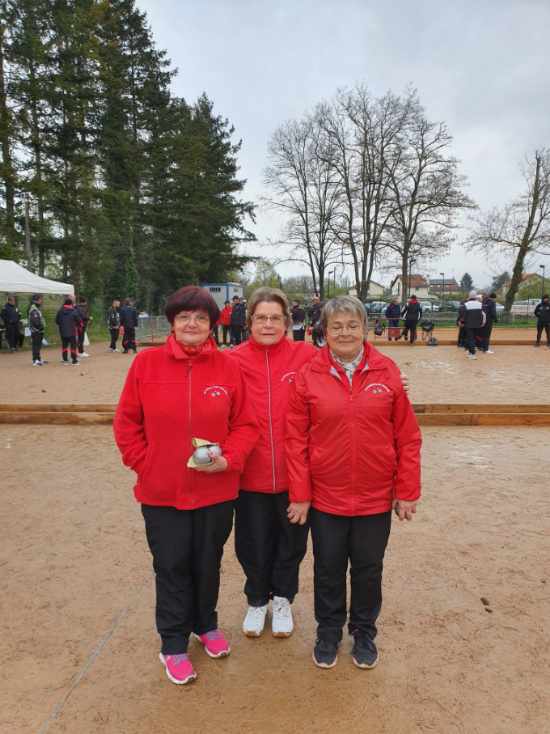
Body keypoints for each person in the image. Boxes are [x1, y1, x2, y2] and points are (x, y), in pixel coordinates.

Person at [113, 286, 258, 686]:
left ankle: (205, 624)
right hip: (162, 493)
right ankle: (173, 642)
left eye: (199, 317)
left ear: (212, 324)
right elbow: (127, 424)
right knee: (172, 565)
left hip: (216, 490)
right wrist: (147, 464)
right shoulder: (145, 364)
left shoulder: (229, 369)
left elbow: (246, 425)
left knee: (207, 562)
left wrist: (230, 459)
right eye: (183, 317)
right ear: (173, 323)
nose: (191, 323)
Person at [285, 295, 422, 671]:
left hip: (375, 498)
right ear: (324, 332)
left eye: (352, 325)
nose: (345, 333)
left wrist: (407, 491)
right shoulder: (308, 375)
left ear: (365, 328)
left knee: (368, 569)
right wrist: (300, 495)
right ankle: (329, 630)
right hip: (326, 497)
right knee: (328, 568)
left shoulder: (388, 372)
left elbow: (407, 438)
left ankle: (364, 631)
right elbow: (295, 441)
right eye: (336, 326)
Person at [227, 288, 317, 639]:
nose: (268, 324)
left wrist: (395, 381)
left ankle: (282, 599)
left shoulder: (307, 356)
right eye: (261, 318)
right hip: (249, 475)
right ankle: (256, 600)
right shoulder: (232, 359)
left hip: (295, 475)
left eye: (275, 318)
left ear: (286, 322)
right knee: (251, 544)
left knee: (291, 544)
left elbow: (348, 367)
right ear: (249, 321)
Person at [459, 290, 486, 360]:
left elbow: (463, 316)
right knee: (473, 338)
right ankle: (469, 352)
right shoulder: (480, 304)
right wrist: (483, 322)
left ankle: (472, 354)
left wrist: (461, 322)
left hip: (468, 325)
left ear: (469, 296)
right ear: (476, 296)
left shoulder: (466, 304)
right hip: (478, 325)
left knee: (470, 339)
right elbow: (483, 315)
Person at [55, 297, 81, 365]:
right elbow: (79, 321)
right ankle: (74, 361)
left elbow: (57, 321)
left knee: (64, 346)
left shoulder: (60, 311)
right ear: (71, 304)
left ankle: (65, 360)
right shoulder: (74, 311)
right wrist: (79, 326)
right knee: (73, 346)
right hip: (72, 332)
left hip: (63, 332)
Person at [28, 294, 46, 366]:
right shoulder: (34, 309)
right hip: (36, 331)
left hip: (39, 330)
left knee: (38, 345)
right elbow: (36, 322)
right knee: (36, 345)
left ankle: (38, 358)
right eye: (40, 300)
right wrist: (41, 327)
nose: (41, 301)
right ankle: (35, 360)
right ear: (36, 300)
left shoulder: (37, 308)